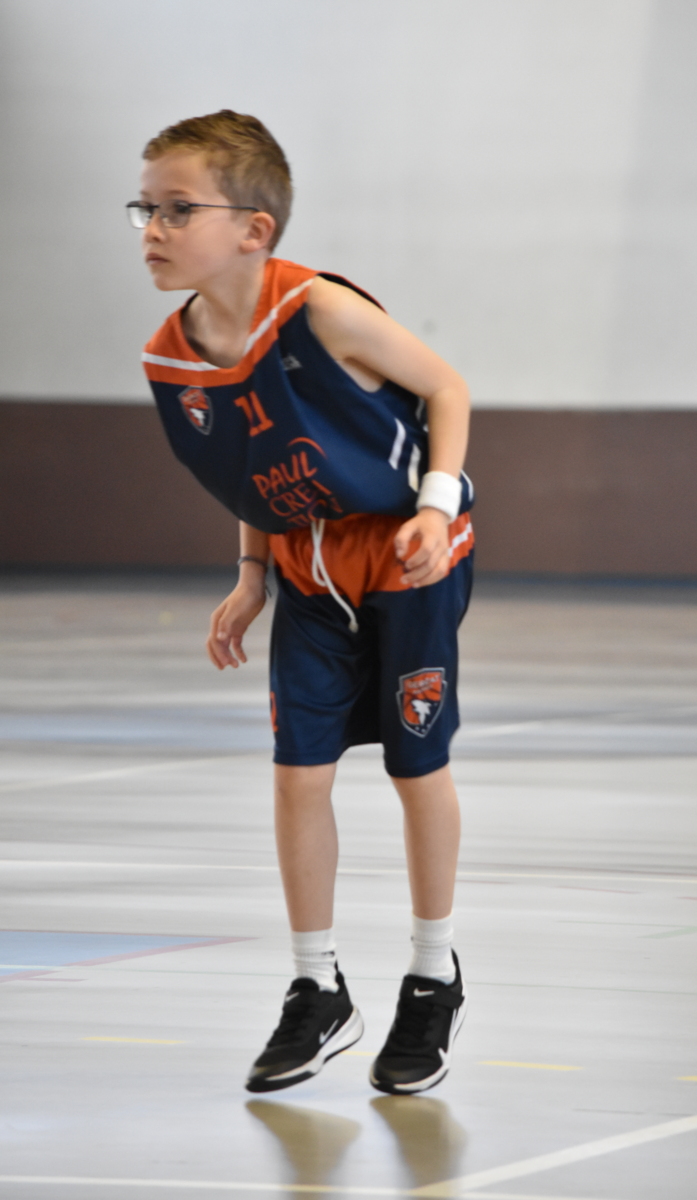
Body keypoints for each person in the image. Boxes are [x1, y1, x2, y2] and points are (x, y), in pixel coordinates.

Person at [131, 110, 474, 1096]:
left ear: (255, 228)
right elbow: (250, 469)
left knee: (415, 767)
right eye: (144, 209)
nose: (153, 229)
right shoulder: (174, 357)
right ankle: (316, 988)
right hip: (303, 562)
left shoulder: (319, 309)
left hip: (406, 551)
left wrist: (435, 505)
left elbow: (447, 388)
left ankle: (432, 973)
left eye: (178, 209)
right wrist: (250, 574)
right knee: (296, 776)